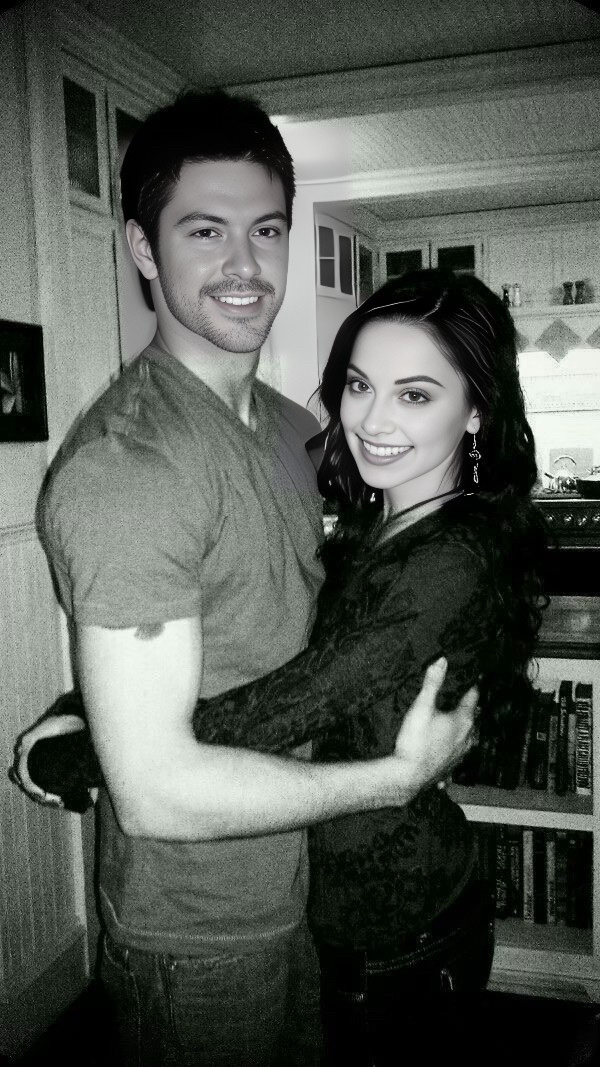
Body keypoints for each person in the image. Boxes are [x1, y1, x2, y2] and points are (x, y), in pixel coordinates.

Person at [10, 90, 478, 1067]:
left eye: (265, 229)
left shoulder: (294, 429)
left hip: (305, 889)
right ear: (143, 250)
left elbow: (269, 627)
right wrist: (396, 777)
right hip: (200, 933)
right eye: (204, 230)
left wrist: (86, 713)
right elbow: (156, 794)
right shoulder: (130, 469)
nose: (243, 264)